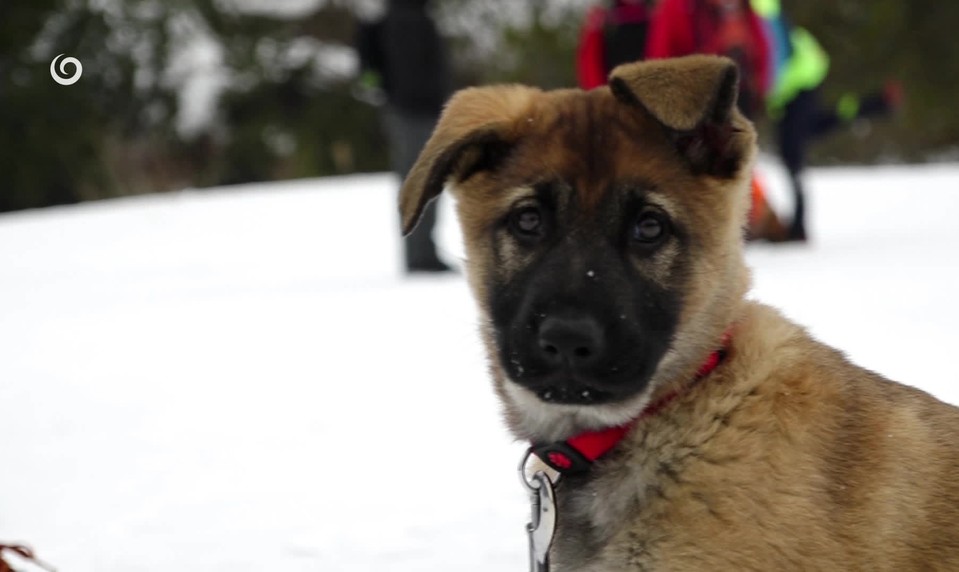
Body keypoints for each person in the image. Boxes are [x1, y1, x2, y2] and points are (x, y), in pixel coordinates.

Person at [753, 0, 902, 241]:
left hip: (798, 81)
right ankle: (878, 103)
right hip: (803, 75)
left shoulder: (759, 7)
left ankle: (798, 227)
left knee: (793, 149)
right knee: (816, 127)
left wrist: (764, 90)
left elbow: (776, 49)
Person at [356, 0, 453, 273]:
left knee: (429, 179)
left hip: (428, 109)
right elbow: (368, 68)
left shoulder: (420, 14)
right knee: (417, 180)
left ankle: (424, 252)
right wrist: (384, 93)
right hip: (408, 111)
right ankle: (419, 256)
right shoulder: (386, 18)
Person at [646, 0, 771, 120]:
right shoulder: (678, 7)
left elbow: (761, 48)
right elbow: (659, 61)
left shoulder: (740, 7)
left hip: (738, 100)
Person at [576, 0, 658, 90]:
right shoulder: (604, 20)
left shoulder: (656, 14)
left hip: (649, 87)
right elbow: (590, 66)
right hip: (613, 91)